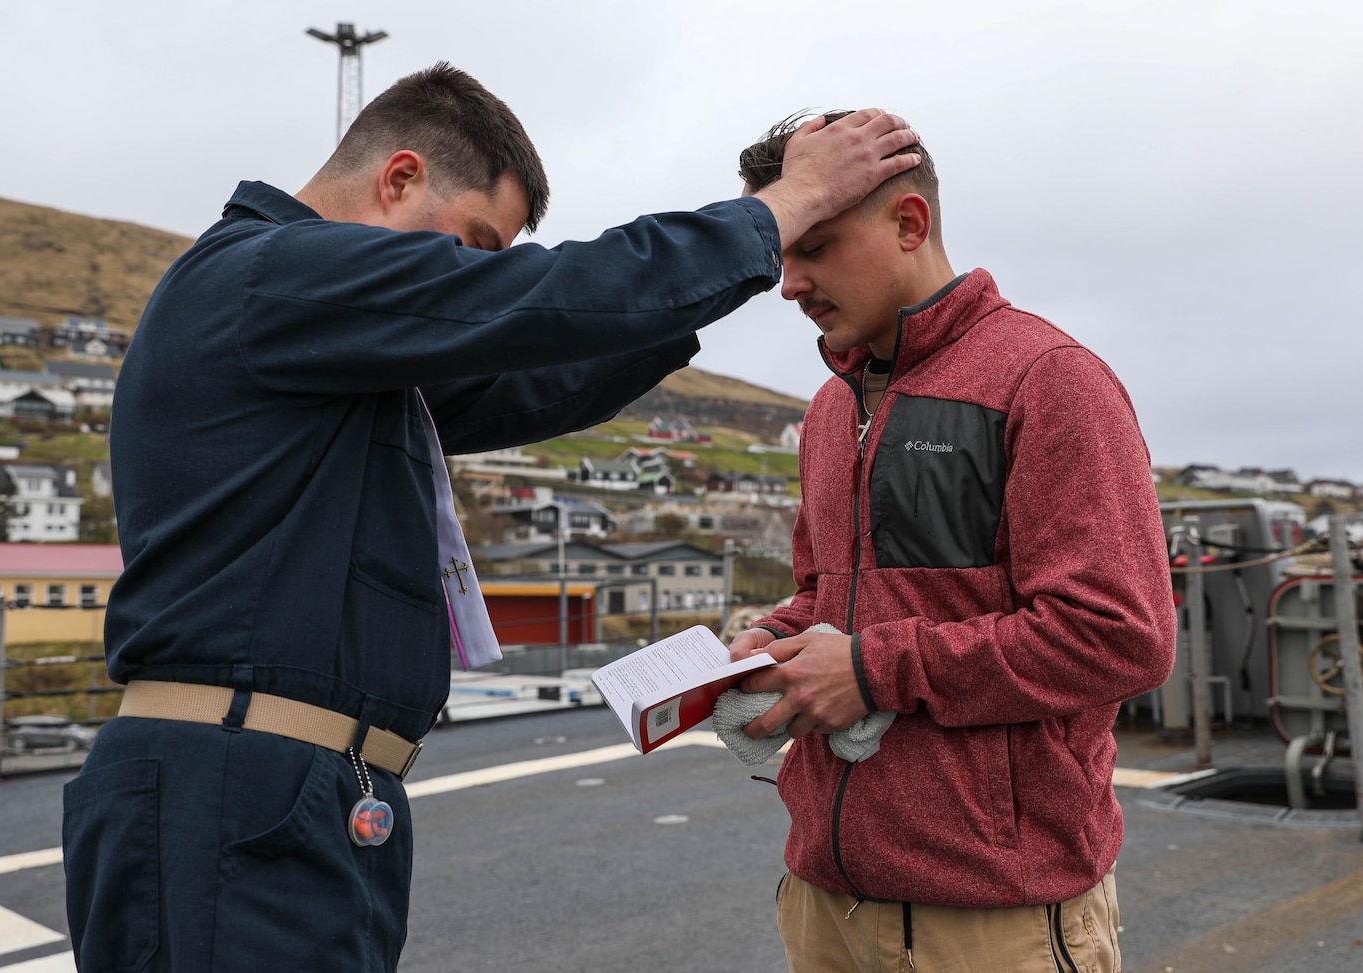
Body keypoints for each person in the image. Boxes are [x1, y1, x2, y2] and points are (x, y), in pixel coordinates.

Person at [60, 66, 922, 972]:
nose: (470, 278)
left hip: (297, 790)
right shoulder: (271, 272)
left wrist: (741, 266)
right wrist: (789, 204)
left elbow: (531, 374)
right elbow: (540, 299)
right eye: (471, 245)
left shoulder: (333, 344)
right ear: (398, 179)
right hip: (239, 785)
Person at [727, 113, 1176, 973]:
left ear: (909, 223)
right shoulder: (830, 408)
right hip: (824, 902)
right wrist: (779, 639)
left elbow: (1123, 634)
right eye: (780, 254)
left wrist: (868, 669)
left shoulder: (1050, 378)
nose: (789, 284)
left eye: (812, 246)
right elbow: (830, 595)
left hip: (992, 919)